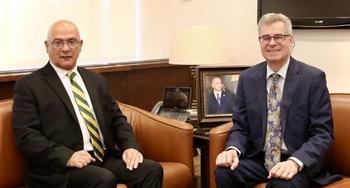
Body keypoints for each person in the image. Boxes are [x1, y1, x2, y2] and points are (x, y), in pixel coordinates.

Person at [12, 20, 163, 188]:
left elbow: (117, 120)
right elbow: (27, 136)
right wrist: (67, 156)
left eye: (72, 41)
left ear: (80, 45)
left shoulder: (96, 81)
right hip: (60, 167)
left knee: (151, 169)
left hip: (102, 157)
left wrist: (130, 147)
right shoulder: (29, 86)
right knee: (103, 179)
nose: (65, 48)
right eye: (57, 43)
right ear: (47, 46)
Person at [215, 13, 341, 188]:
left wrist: (295, 162)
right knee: (224, 172)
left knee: (282, 185)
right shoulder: (247, 78)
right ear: (260, 42)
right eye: (266, 37)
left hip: (296, 161)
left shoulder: (312, 78)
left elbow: (322, 133)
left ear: (290, 40)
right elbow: (241, 127)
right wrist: (232, 150)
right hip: (259, 158)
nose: (272, 42)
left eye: (278, 37)